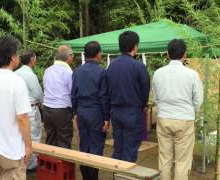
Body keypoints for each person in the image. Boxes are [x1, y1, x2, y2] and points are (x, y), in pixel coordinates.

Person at [0, 36, 32, 180]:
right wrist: (28, 146)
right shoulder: (16, 82)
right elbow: (22, 118)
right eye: (17, 53)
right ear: (12, 57)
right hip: (11, 151)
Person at [152, 39, 203, 180]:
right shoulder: (192, 74)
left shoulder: (158, 73)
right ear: (184, 55)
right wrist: (191, 112)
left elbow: (156, 97)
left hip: (164, 118)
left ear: (168, 55)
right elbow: (198, 100)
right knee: (182, 161)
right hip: (184, 119)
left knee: (164, 158)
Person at [107, 31, 150, 162]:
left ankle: (116, 174)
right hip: (132, 112)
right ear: (135, 46)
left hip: (115, 111)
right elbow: (145, 89)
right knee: (130, 148)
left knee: (118, 147)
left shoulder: (111, 66)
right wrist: (143, 105)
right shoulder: (138, 66)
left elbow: (107, 88)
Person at [71, 41, 110, 180]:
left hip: (81, 111)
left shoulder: (77, 71)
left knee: (84, 144)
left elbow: (73, 94)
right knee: (96, 147)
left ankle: (86, 176)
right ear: (98, 54)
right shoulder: (102, 72)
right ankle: (92, 177)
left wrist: (75, 112)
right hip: (96, 112)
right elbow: (104, 97)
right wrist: (106, 117)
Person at [15, 50, 43, 170]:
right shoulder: (30, 75)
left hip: (17, 109)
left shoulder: (15, 73)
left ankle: (24, 163)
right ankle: (32, 165)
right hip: (30, 110)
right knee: (34, 137)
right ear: (32, 60)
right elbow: (38, 95)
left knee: (20, 137)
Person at [42, 45, 74, 148]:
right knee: (64, 140)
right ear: (69, 56)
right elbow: (72, 91)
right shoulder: (68, 72)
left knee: (51, 138)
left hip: (47, 109)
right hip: (61, 111)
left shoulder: (48, 70)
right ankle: (63, 164)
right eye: (72, 55)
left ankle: (50, 163)